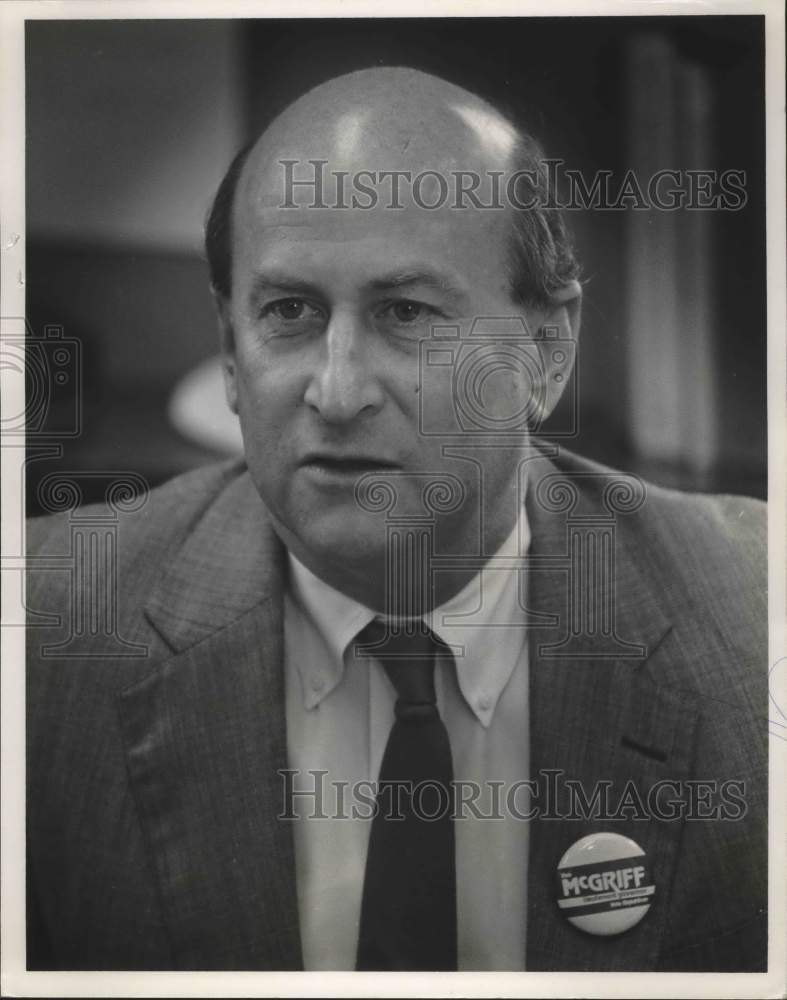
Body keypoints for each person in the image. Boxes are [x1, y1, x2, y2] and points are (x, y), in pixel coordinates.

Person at [25, 67, 767, 972]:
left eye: (408, 314)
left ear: (543, 352)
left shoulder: (754, 624)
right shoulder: (42, 640)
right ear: (228, 350)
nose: (336, 391)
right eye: (288, 313)